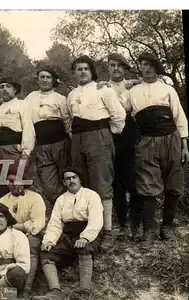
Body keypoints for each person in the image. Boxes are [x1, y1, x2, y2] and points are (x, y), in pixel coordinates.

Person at [123, 52, 189, 243]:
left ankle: (167, 227)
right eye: (143, 64)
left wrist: (184, 145)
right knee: (147, 186)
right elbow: (118, 108)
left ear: (156, 67)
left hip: (171, 140)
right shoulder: (132, 92)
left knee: (174, 185)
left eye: (151, 64)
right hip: (146, 142)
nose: (147, 68)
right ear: (140, 68)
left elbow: (179, 117)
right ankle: (149, 230)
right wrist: (104, 87)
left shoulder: (167, 89)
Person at [67, 55, 126, 249]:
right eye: (78, 69)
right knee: (82, 183)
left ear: (92, 71)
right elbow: (69, 119)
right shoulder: (72, 95)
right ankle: (90, 230)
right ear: (74, 73)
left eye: (85, 68)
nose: (82, 72)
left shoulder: (104, 90)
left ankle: (107, 231)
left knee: (102, 184)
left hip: (99, 136)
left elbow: (118, 116)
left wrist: (107, 136)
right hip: (78, 139)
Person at [33, 168, 103, 300]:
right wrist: (49, 241)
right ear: (64, 182)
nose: (71, 181)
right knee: (47, 253)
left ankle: (85, 294)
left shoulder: (91, 195)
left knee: (84, 249)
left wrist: (85, 238)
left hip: (89, 234)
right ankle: (55, 292)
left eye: (74, 177)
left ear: (80, 179)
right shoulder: (61, 200)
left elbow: (96, 220)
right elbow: (55, 223)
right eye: (67, 179)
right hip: (68, 236)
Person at [98, 53, 139, 240]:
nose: (115, 69)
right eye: (112, 65)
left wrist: (126, 89)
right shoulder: (101, 87)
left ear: (125, 68)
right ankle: (122, 225)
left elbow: (125, 107)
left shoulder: (133, 85)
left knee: (133, 181)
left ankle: (136, 225)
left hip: (129, 135)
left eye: (119, 66)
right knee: (117, 184)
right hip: (110, 136)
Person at [24, 66, 71, 206]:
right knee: (49, 186)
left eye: (48, 77)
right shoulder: (30, 97)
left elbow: (67, 121)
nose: (45, 80)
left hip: (61, 143)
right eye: (42, 77)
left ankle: (72, 210)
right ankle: (59, 208)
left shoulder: (60, 98)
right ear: (37, 79)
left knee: (67, 177)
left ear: (53, 80)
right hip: (41, 147)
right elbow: (20, 111)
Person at [0, 172, 46, 295]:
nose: (14, 184)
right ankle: (7, 288)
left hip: (31, 234)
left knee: (29, 248)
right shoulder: (3, 201)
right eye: (10, 181)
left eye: (17, 180)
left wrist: (17, 226)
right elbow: (0, 224)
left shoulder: (35, 198)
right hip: (9, 235)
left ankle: (26, 290)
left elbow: (38, 223)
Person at [0, 77, 35, 199]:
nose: (5, 89)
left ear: (15, 90)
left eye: (8, 86)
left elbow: (28, 128)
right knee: (1, 185)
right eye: (2, 87)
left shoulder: (21, 105)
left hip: (13, 150)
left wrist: (26, 152)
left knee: (17, 183)